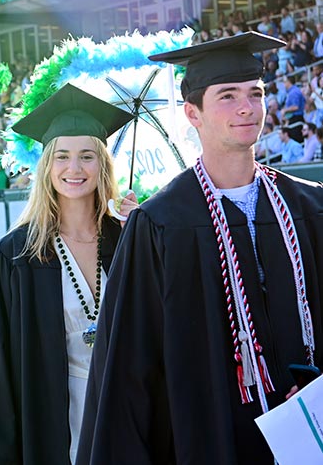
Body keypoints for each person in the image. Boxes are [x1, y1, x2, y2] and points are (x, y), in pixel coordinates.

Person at [79, 31, 323, 464]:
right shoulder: (160, 224)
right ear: (192, 112)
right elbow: (131, 368)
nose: (247, 107)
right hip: (210, 436)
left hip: (310, 432)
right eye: (227, 96)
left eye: (256, 92)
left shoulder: (310, 205)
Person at [0, 83, 137, 465]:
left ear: (103, 164)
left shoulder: (129, 240)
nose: (74, 168)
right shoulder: (16, 255)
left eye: (87, 155)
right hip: (50, 421)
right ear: (46, 166)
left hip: (126, 413)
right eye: (62, 156)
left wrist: (142, 230)